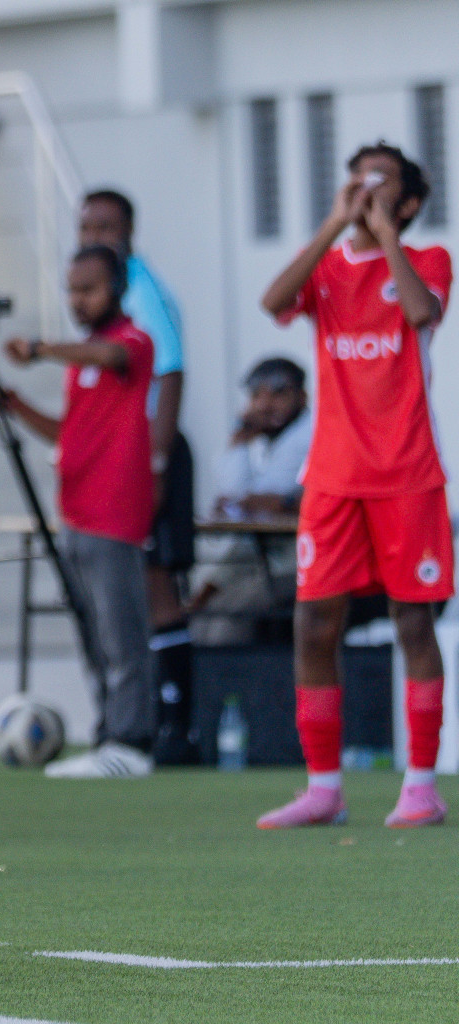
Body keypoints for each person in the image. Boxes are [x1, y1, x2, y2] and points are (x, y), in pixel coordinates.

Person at [257, 142, 451, 829]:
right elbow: (273, 301)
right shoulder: (327, 265)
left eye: (380, 178)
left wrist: (387, 236)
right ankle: (324, 790)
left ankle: (421, 786)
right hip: (333, 477)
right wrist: (333, 225)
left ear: (409, 200)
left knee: (412, 620)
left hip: (406, 473)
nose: (364, 187)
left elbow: (422, 313)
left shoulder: (427, 259)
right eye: (356, 176)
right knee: (314, 623)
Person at [3, 245, 156, 778]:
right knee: (95, 636)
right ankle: (109, 735)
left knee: (121, 636)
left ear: (117, 290)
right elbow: (70, 434)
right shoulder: (82, 359)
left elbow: (112, 357)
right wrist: (16, 407)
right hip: (75, 513)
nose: (78, 300)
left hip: (113, 515)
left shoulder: (132, 342)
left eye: (88, 289)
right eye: (71, 290)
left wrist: (41, 349)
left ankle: (131, 742)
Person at [78, 189, 196, 764]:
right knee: (132, 591)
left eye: (107, 226)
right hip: (118, 459)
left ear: (129, 230)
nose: (95, 236)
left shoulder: (142, 290)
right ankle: (146, 724)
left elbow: (170, 372)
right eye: (87, 227)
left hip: (149, 454)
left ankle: (174, 726)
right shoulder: (101, 293)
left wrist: (157, 459)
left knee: (156, 586)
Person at [187, 358, 313, 646]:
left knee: (227, 617)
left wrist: (249, 501)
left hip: (302, 565)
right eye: (257, 395)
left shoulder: (309, 433)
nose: (265, 405)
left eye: (278, 394)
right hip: (263, 557)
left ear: (302, 396)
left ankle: (225, 677)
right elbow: (238, 496)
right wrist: (240, 438)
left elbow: (259, 498)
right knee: (202, 613)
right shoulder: (270, 439)